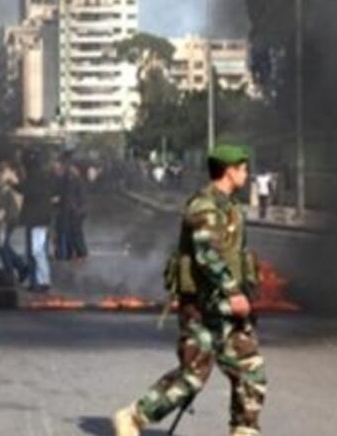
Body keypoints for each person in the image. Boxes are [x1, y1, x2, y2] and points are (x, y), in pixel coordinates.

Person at [113, 144, 266, 436]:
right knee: (192, 378)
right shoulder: (203, 206)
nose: (247, 174)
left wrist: (244, 292)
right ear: (229, 170)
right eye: (243, 168)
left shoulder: (230, 206)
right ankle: (134, 417)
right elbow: (207, 255)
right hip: (201, 308)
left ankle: (244, 431)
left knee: (250, 370)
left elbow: (236, 256)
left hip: (227, 310)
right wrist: (234, 292)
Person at [19, 151, 53, 292]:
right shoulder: (42, 177)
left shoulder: (34, 178)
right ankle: (36, 281)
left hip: (37, 219)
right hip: (39, 219)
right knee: (35, 251)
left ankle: (43, 280)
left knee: (36, 251)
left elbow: (27, 191)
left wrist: (13, 184)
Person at [0, 161, 26, 282]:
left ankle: (12, 272)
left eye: (3, 171)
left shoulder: (10, 183)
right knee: (4, 245)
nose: (1, 174)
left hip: (6, 219)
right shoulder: (8, 183)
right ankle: (19, 267)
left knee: (2, 246)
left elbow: (5, 204)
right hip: (9, 218)